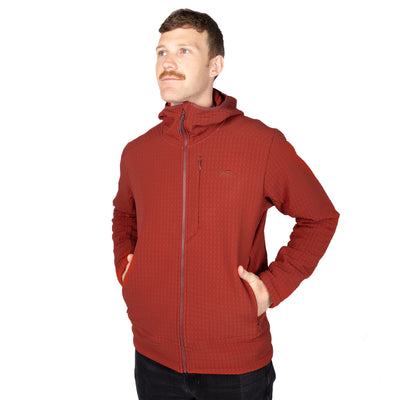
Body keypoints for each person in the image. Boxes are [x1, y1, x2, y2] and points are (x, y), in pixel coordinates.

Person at [112, 8, 339, 400]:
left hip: (236, 367)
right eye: (162, 52)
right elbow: (124, 215)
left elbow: (319, 217)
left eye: (184, 51)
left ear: (215, 65)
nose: (167, 62)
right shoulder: (138, 152)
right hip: (152, 358)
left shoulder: (261, 144)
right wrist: (127, 271)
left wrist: (271, 289)